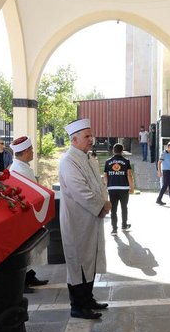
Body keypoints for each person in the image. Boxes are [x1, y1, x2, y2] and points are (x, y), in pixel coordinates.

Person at [58, 119, 111, 320]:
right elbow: (80, 191)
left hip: (91, 219)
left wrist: (103, 202)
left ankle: (88, 299)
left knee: (89, 260)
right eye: (87, 136)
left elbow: (98, 184)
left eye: (91, 135)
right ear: (74, 140)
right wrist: (101, 206)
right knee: (78, 262)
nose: (91, 139)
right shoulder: (68, 161)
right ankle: (78, 306)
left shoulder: (87, 157)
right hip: (77, 221)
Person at [9, 136, 49, 292]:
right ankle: (22, 282)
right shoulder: (17, 170)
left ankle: (30, 276)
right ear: (25, 152)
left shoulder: (23, 167)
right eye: (31, 149)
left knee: (32, 246)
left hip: (31, 214)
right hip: (23, 216)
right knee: (24, 248)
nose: (33, 152)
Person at [103, 143, 134, 236]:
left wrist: (107, 186)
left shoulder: (108, 162)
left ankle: (114, 229)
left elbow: (105, 176)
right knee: (124, 207)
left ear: (113, 150)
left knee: (113, 209)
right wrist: (131, 187)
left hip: (112, 188)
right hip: (124, 188)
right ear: (122, 150)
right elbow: (129, 175)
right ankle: (124, 225)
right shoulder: (126, 161)